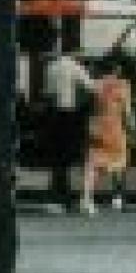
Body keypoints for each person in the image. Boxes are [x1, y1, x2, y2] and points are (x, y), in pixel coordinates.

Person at [41, 47, 95, 211]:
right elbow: (90, 87)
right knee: (70, 156)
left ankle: (57, 195)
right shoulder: (74, 66)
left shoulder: (51, 67)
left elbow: (48, 93)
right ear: (75, 54)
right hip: (70, 115)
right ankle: (68, 198)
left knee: (57, 159)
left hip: (54, 115)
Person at [79, 55, 134, 215]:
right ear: (116, 69)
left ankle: (87, 200)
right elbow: (127, 111)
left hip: (95, 126)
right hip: (114, 127)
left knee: (92, 165)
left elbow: (86, 106)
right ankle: (117, 198)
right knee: (119, 162)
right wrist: (131, 127)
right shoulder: (123, 85)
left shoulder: (94, 85)